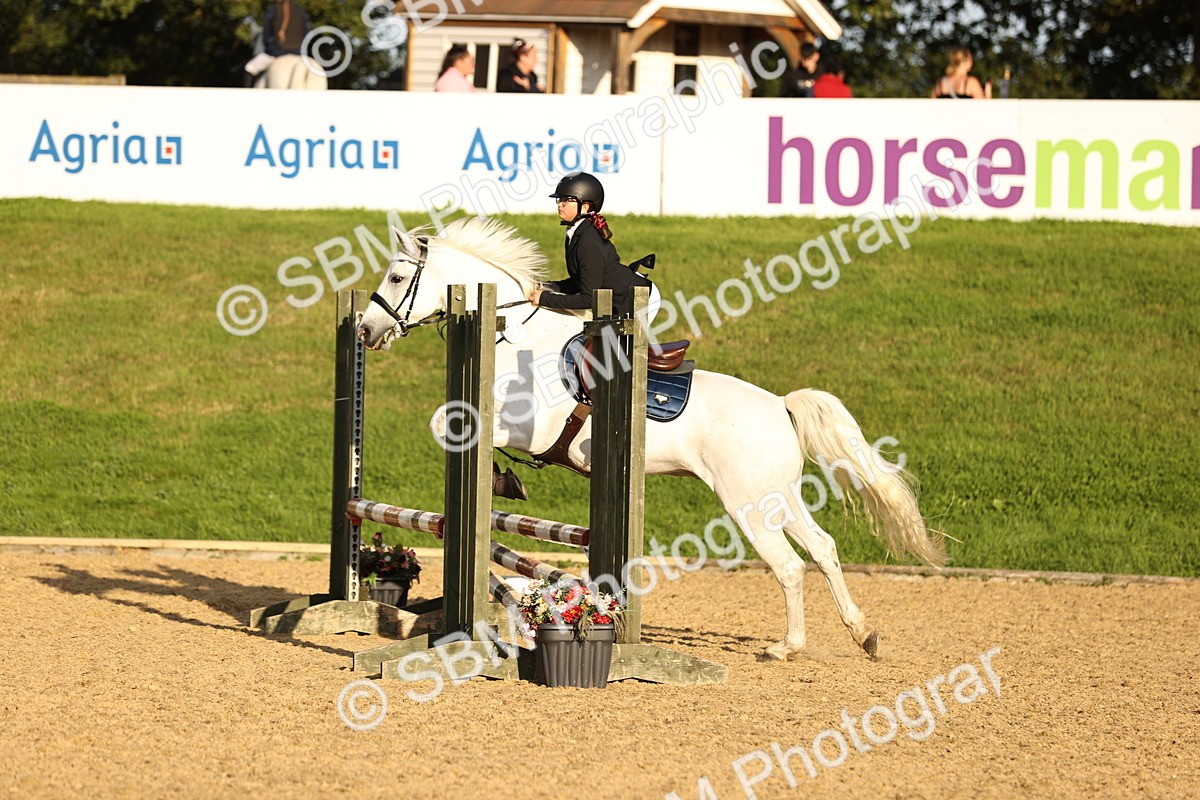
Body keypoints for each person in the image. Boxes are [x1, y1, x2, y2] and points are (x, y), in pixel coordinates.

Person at [529, 172, 660, 321]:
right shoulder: (577, 233)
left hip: (638, 301)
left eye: (566, 200)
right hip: (613, 299)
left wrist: (546, 299)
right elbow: (580, 281)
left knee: (613, 344)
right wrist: (545, 286)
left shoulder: (588, 242)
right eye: (559, 200)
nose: (560, 204)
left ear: (584, 207)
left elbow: (588, 299)